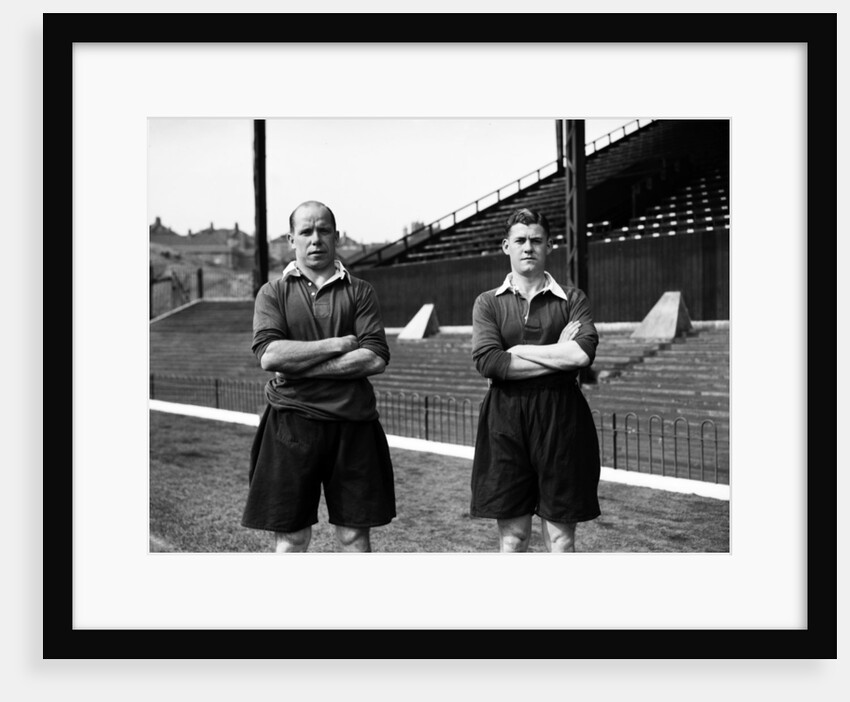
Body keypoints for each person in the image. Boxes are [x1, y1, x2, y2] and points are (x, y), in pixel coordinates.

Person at [241, 200, 396, 552]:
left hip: (354, 424)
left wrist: (299, 368)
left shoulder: (360, 290)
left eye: (323, 230)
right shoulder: (272, 293)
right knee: (292, 538)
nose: (316, 239)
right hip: (291, 424)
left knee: (354, 535)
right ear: (291, 239)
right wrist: (337, 344)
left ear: (336, 237)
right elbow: (271, 356)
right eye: (306, 231)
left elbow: (374, 358)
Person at [470, 207, 601, 552]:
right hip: (505, 419)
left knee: (560, 538)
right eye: (520, 240)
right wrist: (556, 354)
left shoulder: (573, 299)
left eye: (536, 240)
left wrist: (517, 351)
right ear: (506, 246)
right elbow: (490, 363)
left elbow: (581, 354)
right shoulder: (487, 303)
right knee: (513, 538)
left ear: (548, 246)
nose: (528, 247)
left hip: (562, 418)